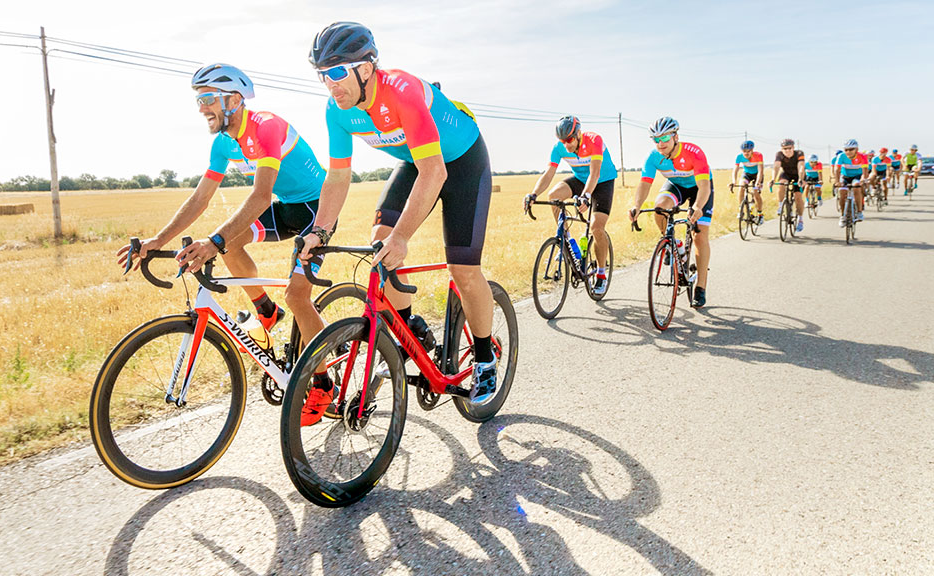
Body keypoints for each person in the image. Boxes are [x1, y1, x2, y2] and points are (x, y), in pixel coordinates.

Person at [297, 21, 498, 423]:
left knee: (463, 270)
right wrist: (319, 230)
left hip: (462, 164)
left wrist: (404, 236)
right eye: (322, 75)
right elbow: (338, 176)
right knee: (380, 241)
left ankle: (484, 355)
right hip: (417, 164)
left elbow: (435, 172)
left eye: (337, 72)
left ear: (366, 68)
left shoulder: (402, 92)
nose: (330, 84)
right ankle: (410, 328)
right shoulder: (337, 111)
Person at [115, 63, 332, 389]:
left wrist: (213, 242)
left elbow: (259, 196)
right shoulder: (223, 144)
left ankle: (323, 385)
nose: (202, 109)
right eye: (199, 101)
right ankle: (266, 310)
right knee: (230, 242)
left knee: (298, 295)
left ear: (233, 99)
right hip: (287, 208)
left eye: (208, 99)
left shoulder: (267, 127)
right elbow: (201, 198)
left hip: (318, 210)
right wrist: (158, 240)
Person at [524, 115, 618, 294]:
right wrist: (534, 194)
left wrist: (586, 196)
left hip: (603, 181)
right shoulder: (559, 147)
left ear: (578, 134)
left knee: (597, 227)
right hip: (581, 179)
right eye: (562, 141)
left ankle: (601, 274)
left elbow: (595, 172)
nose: (566, 145)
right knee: (554, 195)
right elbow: (549, 172)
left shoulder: (594, 140)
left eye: (569, 139)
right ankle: (569, 242)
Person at [627, 117, 713, 308]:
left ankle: (700, 287)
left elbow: (704, 186)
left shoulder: (694, 153)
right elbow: (644, 183)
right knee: (660, 208)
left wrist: (698, 207)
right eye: (655, 139)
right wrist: (637, 206)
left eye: (664, 138)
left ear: (675, 136)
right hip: (676, 186)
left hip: (700, 188)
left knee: (699, 235)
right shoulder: (653, 157)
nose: (660, 143)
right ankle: (675, 245)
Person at [769, 138, 806, 232]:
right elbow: (776, 166)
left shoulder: (799, 153)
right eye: (785, 148)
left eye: (789, 148)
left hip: (798, 175)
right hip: (786, 174)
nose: (787, 151)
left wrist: (801, 179)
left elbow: (801, 167)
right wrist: (773, 179)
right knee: (781, 183)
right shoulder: (779, 154)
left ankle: (800, 219)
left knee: (798, 196)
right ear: (782, 149)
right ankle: (781, 205)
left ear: (793, 147)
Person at [833, 139, 869, 225]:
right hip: (845, 176)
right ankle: (842, 216)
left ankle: (859, 212)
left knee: (856, 187)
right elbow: (837, 169)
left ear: (856, 149)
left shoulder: (862, 156)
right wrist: (837, 181)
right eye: (846, 150)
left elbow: (865, 171)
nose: (848, 152)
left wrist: (863, 179)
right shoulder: (841, 156)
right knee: (842, 192)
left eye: (851, 149)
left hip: (857, 176)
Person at [730, 140, 765, 224]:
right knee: (741, 187)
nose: (746, 153)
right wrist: (734, 181)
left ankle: (760, 214)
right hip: (747, 174)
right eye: (744, 151)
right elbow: (735, 170)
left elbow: (760, 171)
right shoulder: (739, 157)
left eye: (748, 151)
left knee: (755, 192)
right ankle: (741, 210)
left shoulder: (758, 155)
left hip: (757, 175)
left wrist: (758, 182)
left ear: (752, 150)